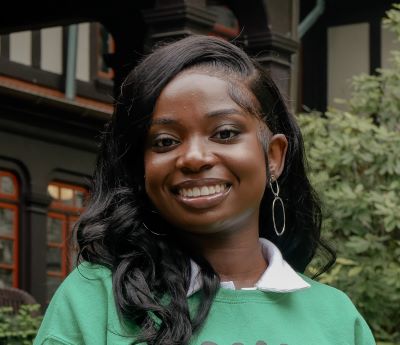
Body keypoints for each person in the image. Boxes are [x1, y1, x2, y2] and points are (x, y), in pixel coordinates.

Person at [34, 35, 376, 345]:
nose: (194, 158)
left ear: (273, 156)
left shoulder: (336, 319)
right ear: (142, 168)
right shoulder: (93, 299)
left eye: (225, 133)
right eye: (165, 141)